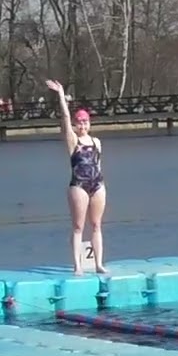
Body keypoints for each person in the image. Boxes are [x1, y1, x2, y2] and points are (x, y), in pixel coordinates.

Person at [45, 79, 107, 275]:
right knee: (78, 226)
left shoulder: (97, 141)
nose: (82, 125)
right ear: (75, 124)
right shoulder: (73, 140)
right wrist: (61, 96)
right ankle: (78, 265)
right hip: (78, 185)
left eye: (85, 122)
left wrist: (101, 185)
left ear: (89, 123)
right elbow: (64, 116)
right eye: (79, 122)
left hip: (97, 184)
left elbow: (98, 164)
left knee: (96, 225)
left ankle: (98, 264)